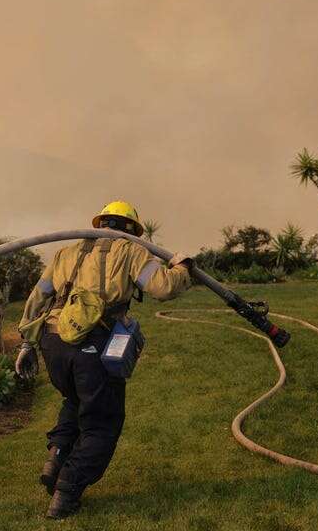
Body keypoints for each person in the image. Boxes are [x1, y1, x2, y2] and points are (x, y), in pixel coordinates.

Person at [15, 200, 193, 519]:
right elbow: (163, 287)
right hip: (92, 345)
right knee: (102, 423)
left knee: (74, 401)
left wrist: (26, 346)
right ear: (133, 230)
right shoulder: (132, 251)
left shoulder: (65, 254)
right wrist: (182, 268)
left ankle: (54, 460)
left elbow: (38, 296)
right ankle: (66, 491)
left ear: (100, 224)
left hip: (52, 344)